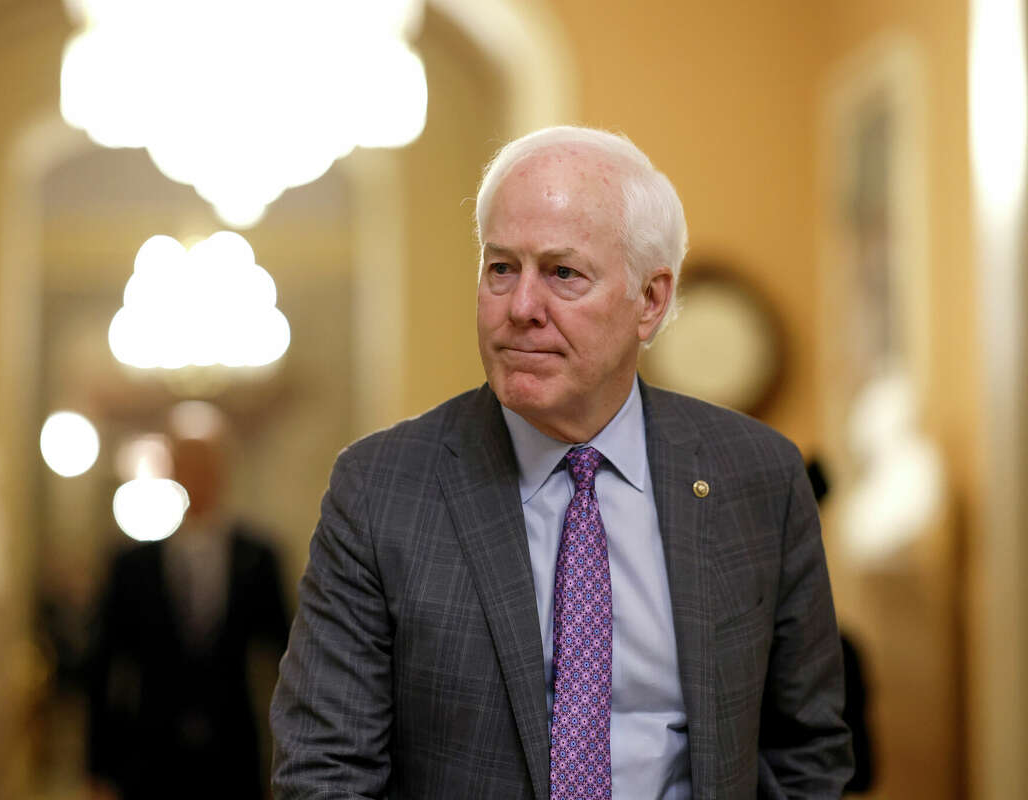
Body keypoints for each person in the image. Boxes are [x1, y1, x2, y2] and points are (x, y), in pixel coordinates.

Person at [270, 126, 852, 799]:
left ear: (651, 300)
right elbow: (325, 772)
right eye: (501, 268)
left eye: (563, 273)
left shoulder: (758, 477)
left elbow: (807, 750)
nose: (521, 308)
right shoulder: (381, 488)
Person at [87, 430, 289, 800]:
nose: (198, 478)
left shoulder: (259, 557)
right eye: (188, 467)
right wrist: (98, 764)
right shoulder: (132, 565)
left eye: (207, 468)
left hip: (233, 749)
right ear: (173, 473)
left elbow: (286, 655)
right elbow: (105, 665)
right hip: (151, 750)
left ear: (224, 473)